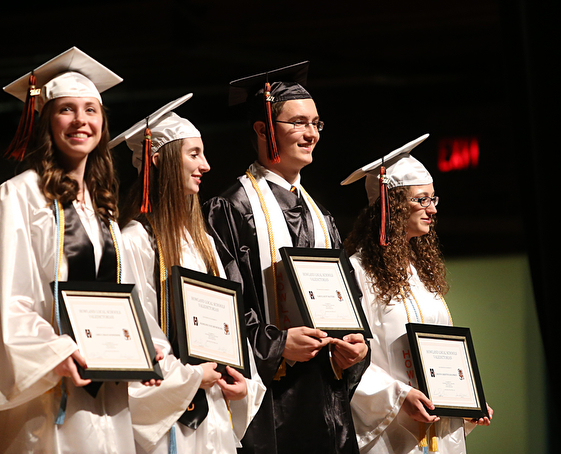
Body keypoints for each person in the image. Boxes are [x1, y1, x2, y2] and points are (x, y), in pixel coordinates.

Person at [0, 47, 141, 453]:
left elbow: (121, 297)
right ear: (45, 120)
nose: (81, 120)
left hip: (108, 394)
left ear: (103, 123)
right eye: (66, 109)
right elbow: (10, 300)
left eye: (91, 109)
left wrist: (146, 347)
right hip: (52, 390)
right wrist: (56, 353)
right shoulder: (18, 197)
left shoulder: (103, 209)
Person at [203, 62, 369, 454]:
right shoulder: (231, 209)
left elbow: (350, 301)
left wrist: (357, 346)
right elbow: (222, 311)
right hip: (272, 402)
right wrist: (276, 346)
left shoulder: (321, 215)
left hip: (328, 398)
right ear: (263, 130)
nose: (311, 133)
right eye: (298, 122)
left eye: (316, 123)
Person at [112, 94, 265, 454]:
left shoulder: (203, 242)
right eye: (193, 153)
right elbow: (138, 331)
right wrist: (190, 377)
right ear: (159, 159)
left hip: (213, 410)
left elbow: (227, 322)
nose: (207, 165)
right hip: (171, 416)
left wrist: (244, 381)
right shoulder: (135, 241)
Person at [340, 134, 493, 454]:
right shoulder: (357, 273)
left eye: (433, 199)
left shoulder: (421, 273)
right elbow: (349, 359)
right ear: (391, 206)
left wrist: (468, 399)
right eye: (421, 200)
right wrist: (397, 396)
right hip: (391, 430)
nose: (432, 209)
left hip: (438, 424)